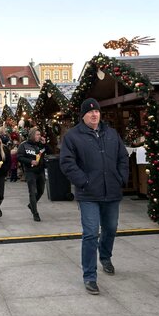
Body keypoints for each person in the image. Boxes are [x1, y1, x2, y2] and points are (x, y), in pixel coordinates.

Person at [59, 98, 129, 296]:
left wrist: (121, 178)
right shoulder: (73, 136)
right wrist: (84, 181)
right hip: (88, 193)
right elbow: (67, 163)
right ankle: (90, 276)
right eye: (90, 112)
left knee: (111, 228)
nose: (94, 115)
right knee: (90, 233)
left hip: (112, 191)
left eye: (97, 111)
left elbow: (123, 157)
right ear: (83, 116)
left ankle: (105, 256)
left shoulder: (111, 133)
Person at [17, 127, 48, 222]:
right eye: (37, 134)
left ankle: (31, 205)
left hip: (40, 171)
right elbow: (19, 157)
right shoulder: (24, 145)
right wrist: (30, 161)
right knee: (33, 192)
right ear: (32, 135)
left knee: (41, 191)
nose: (39, 136)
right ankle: (35, 213)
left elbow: (50, 151)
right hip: (30, 171)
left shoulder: (40, 145)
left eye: (40, 134)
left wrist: (45, 144)